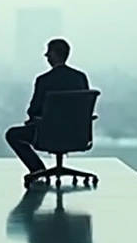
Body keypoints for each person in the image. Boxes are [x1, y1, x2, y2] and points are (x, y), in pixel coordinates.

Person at [5, 38, 90, 173]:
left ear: (54, 55)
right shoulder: (80, 78)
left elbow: (34, 110)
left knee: (12, 135)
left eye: (48, 52)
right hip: (76, 134)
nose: (46, 56)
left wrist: (33, 120)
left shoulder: (44, 80)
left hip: (47, 134)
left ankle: (37, 169)